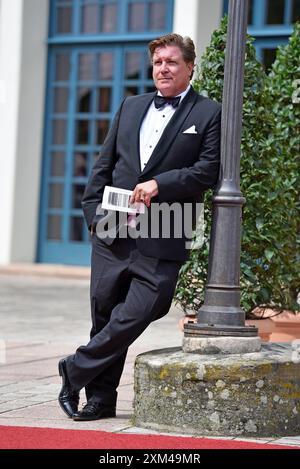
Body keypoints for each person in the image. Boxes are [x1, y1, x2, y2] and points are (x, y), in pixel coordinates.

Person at [58, 33, 221, 421]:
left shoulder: (208, 113)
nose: (163, 69)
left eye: (171, 62)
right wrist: (93, 215)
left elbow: (208, 171)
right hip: (113, 222)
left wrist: (161, 184)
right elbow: (104, 163)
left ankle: (75, 367)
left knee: (150, 304)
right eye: (158, 63)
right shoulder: (131, 106)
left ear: (190, 66)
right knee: (106, 314)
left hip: (168, 224)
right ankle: (100, 400)